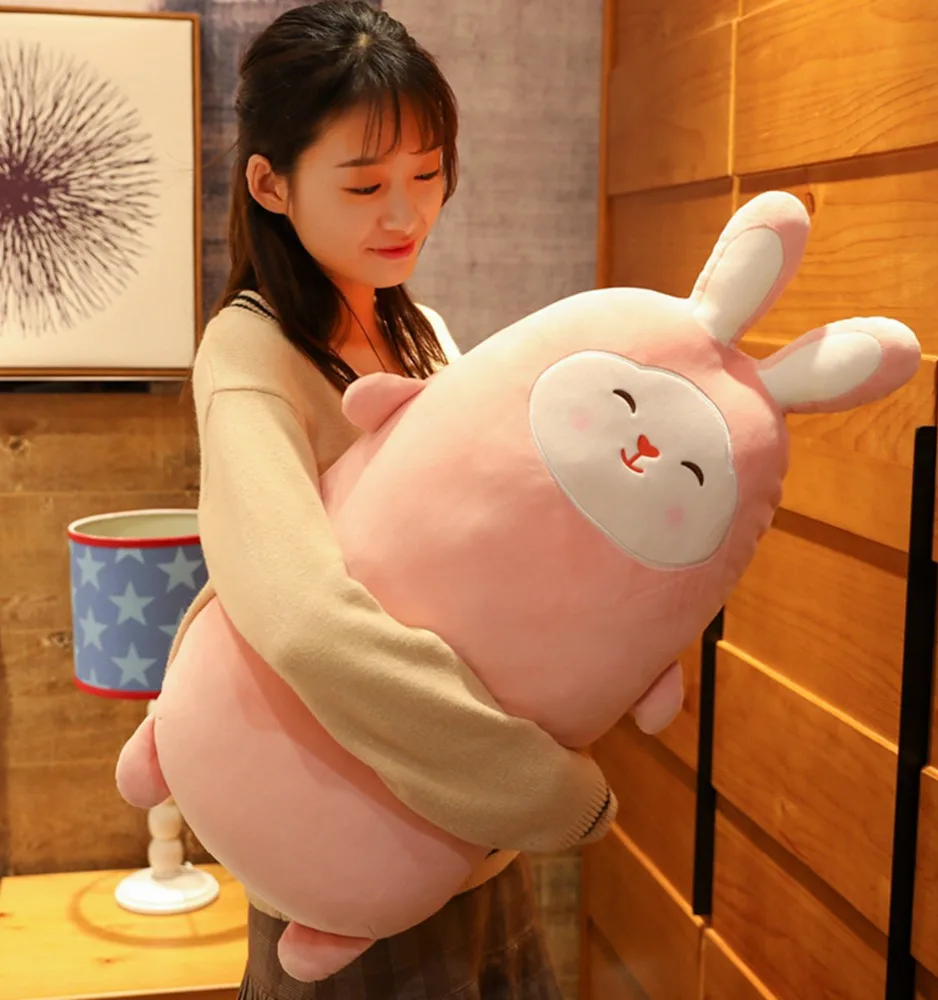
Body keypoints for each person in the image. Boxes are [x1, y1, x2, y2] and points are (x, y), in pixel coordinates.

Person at [167, 2, 617, 997]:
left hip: (473, 841)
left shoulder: (425, 335)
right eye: (366, 184)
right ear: (271, 184)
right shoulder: (251, 354)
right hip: (351, 844)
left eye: (428, 173)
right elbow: (304, 619)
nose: (406, 215)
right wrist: (521, 776)